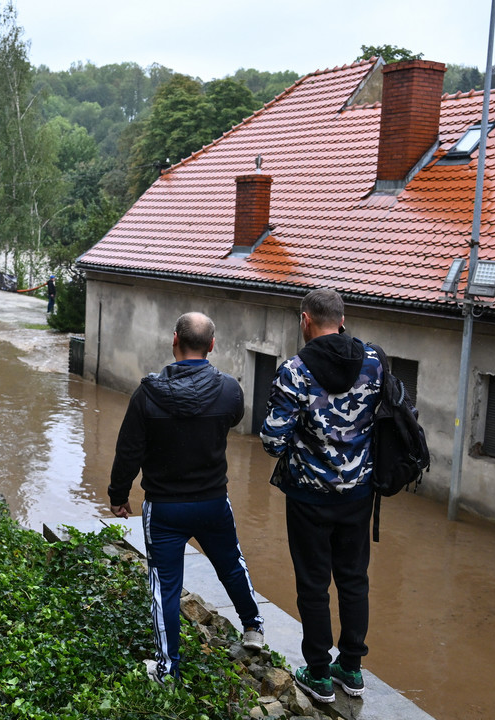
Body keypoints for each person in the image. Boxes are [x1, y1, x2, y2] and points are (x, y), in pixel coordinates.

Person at [109, 312, 264, 683]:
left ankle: (168, 672)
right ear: (212, 345)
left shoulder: (148, 393)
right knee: (231, 563)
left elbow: (128, 450)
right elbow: (231, 420)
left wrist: (118, 494)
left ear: (173, 339)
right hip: (212, 501)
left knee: (165, 588)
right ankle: (253, 627)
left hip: (164, 508)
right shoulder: (230, 390)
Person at [259, 287, 383, 703]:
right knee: (354, 579)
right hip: (359, 493)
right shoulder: (374, 361)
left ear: (305, 320)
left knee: (313, 583)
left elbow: (273, 441)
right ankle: (351, 669)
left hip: (310, 496)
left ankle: (317, 674)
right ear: (342, 320)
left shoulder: (294, 369)